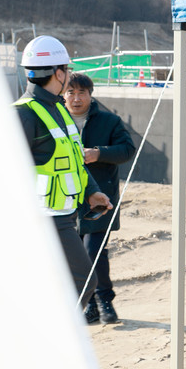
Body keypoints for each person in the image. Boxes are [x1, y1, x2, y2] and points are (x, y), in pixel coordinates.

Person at [15, 35, 112, 317]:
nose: (68, 75)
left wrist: (91, 191)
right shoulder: (24, 114)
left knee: (56, 286)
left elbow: (73, 161)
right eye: (67, 70)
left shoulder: (58, 108)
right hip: (45, 219)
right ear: (58, 73)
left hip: (66, 214)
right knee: (83, 282)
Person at [65, 73, 136, 325]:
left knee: (93, 252)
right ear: (63, 95)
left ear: (90, 95)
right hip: (66, 200)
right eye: (71, 92)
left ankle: (104, 301)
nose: (76, 98)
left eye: (81, 93)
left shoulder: (109, 121)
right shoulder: (56, 120)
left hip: (100, 200)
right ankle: (92, 306)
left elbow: (127, 149)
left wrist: (99, 153)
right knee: (74, 256)